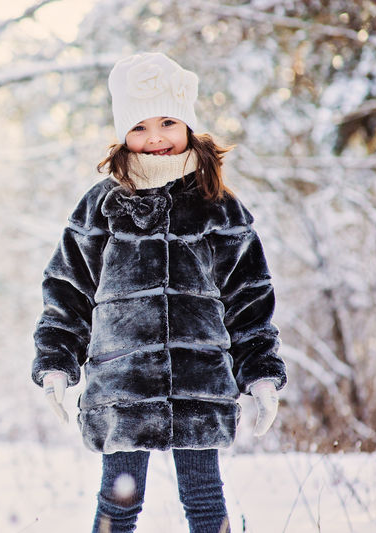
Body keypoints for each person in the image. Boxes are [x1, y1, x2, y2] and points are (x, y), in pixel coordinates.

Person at [31, 52, 287, 533]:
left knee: (205, 501)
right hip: (123, 384)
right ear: (122, 133)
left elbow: (249, 298)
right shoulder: (102, 206)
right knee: (119, 501)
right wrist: (56, 363)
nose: (155, 139)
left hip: (199, 383)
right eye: (140, 126)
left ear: (188, 124)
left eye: (168, 122)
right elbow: (68, 291)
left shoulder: (219, 207)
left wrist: (262, 375)